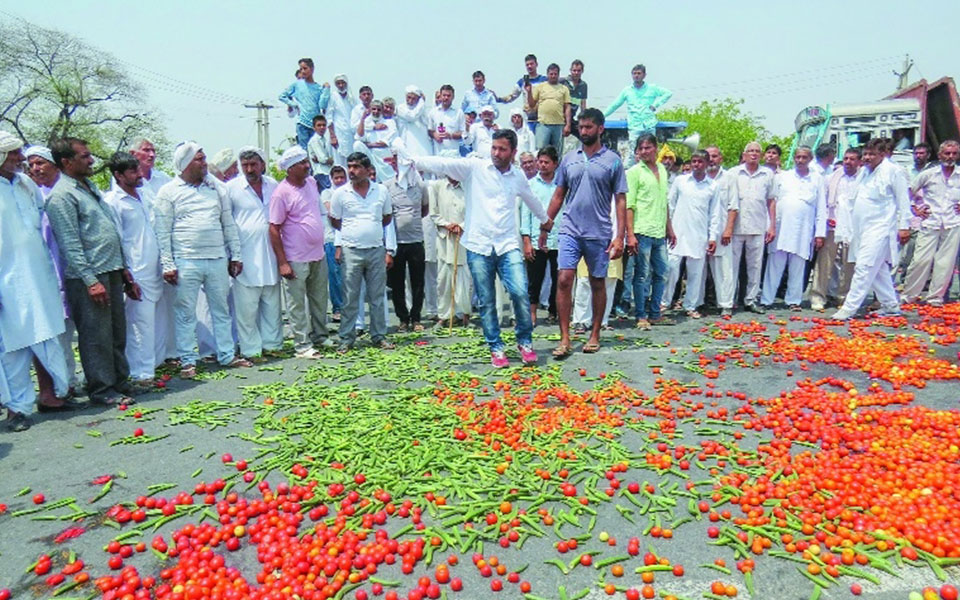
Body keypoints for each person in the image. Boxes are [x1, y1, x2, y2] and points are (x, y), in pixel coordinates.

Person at [413, 130, 551, 367]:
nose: (496, 153)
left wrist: (545, 220)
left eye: (502, 149)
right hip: (479, 245)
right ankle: (496, 347)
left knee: (519, 291)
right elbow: (444, 163)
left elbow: (531, 199)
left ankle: (524, 341)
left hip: (507, 244)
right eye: (494, 148)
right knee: (486, 300)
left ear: (513, 152)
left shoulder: (517, 176)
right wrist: (413, 160)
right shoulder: (475, 168)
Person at [46, 137, 142, 405]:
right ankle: (101, 389)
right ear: (66, 162)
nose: (91, 160)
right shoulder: (61, 196)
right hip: (89, 276)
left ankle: (120, 382)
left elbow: (109, 229)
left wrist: (123, 271)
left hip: (110, 270)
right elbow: (70, 244)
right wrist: (90, 281)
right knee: (96, 336)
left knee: (115, 332)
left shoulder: (87, 188)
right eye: (85, 156)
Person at [154, 142, 249, 378]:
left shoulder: (215, 189)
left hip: (216, 257)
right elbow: (162, 232)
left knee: (221, 310)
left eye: (204, 158)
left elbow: (228, 223)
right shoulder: (168, 191)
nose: (205, 163)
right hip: (186, 260)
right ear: (186, 163)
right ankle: (188, 360)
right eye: (199, 159)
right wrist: (168, 264)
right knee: (186, 313)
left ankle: (227, 355)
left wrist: (235, 255)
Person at [0, 133, 73, 431]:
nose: (20, 157)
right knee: (13, 345)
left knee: (44, 333)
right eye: (13, 152)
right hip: (8, 281)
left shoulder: (27, 185)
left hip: (38, 276)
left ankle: (52, 393)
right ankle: (17, 408)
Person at [540, 108, 626, 356]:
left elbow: (620, 199)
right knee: (565, 279)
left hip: (599, 231)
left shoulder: (613, 161)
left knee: (597, 281)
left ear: (600, 129)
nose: (583, 131)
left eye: (589, 127)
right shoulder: (568, 159)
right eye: (581, 126)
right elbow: (559, 195)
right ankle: (565, 338)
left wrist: (620, 236)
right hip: (569, 229)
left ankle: (595, 333)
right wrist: (547, 224)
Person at [103, 152, 165, 389]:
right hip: (136, 269)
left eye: (138, 169)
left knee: (155, 320)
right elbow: (117, 240)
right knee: (140, 323)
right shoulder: (113, 202)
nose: (140, 175)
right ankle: (141, 374)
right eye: (133, 171)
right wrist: (126, 274)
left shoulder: (144, 194)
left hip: (154, 267)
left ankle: (152, 366)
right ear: (118, 175)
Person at [832, 139, 912, 320]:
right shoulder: (864, 173)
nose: (867, 157)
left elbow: (903, 201)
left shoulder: (894, 171)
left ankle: (849, 308)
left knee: (864, 267)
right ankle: (891, 306)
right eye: (866, 154)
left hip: (881, 228)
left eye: (872, 154)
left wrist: (904, 226)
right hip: (862, 229)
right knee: (879, 270)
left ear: (882, 155)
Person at [25, 145, 82, 396]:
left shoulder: (67, 192)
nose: (36, 169)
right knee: (59, 334)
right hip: (48, 274)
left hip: (74, 269)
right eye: (32, 165)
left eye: (41, 163)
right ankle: (66, 382)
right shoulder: (32, 196)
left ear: (55, 164)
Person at [268, 146, 333, 358]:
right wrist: (283, 262)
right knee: (297, 304)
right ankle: (302, 344)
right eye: (302, 163)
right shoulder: (281, 193)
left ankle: (320, 335)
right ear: (290, 169)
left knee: (319, 298)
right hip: (295, 257)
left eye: (307, 161)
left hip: (317, 253)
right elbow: (274, 229)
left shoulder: (312, 183)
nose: (307, 166)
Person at [329, 152, 396, 352]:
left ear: (368, 170)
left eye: (357, 167)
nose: (351, 171)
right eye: (349, 166)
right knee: (350, 296)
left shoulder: (381, 191)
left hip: (376, 249)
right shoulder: (341, 193)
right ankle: (347, 338)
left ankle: (379, 336)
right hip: (351, 250)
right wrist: (352, 235)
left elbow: (386, 218)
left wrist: (370, 230)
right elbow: (335, 221)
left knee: (376, 296)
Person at [225, 147, 283, 362]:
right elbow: (227, 222)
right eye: (245, 165)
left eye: (253, 164)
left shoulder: (273, 185)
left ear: (262, 164)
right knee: (247, 308)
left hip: (271, 251)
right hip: (244, 254)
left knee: (272, 303)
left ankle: (273, 344)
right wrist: (232, 255)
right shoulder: (231, 188)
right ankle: (251, 349)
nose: (249, 169)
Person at [760, 146, 827, 310]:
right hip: (781, 228)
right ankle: (766, 299)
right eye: (798, 157)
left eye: (804, 157)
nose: (800, 160)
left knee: (798, 265)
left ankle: (793, 301)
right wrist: (770, 226)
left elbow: (821, 207)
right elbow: (772, 201)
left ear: (810, 159)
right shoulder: (783, 177)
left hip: (803, 229)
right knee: (775, 264)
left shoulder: (817, 179)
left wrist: (820, 234)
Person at [663, 150, 723, 318]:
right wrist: (668, 229)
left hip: (699, 236)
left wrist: (712, 237)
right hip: (677, 233)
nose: (696, 164)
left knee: (696, 274)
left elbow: (715, 213)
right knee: (672, 269)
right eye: (694, 161)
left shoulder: (713, 186)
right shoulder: (680, 181)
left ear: (706, 163)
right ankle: (664, 302)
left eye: (700, 161)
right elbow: (670, 205)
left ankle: (690, 305)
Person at [624, 134, 675, 328]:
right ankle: (641, 315)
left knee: (662, 273)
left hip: (659, 232)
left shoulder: (662, 169)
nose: (644, 151)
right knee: (641, 275)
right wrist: (630, 234)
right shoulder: (634, 172)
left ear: (655, 148)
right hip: (642, 230)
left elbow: (664, 202)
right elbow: (630, 205)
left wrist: (670, 229)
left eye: (648, 148)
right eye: (641, 148)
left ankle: (655, 312)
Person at [902, 140, 960, 306]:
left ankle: (935, 297)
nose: (950, 157)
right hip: (930, 222)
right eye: (947, 153)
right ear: (940, 155)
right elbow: (908, 193)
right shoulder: (929, 174)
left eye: (954, 153)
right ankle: (909, 295)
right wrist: (915, 210)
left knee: (945, 263)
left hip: (953, 223)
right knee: (920, 260)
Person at [727, 141, 777, 313]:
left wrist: (771, 226)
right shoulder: (733, 173)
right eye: (750, 151)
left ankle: (751, 300)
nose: (754, 154)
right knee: (731, 266)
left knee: (755, 267)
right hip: (736, 228)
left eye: (757, 151)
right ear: (744, 154)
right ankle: (729, 301)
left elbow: (771, 201)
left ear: (761, 155)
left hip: (758, 226)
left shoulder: (767, 174)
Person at [809, 147, 861, 311]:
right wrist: (823, 227)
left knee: (849, 264)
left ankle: (843, 296)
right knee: (824, 263)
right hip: (832, 226)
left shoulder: (863, 180)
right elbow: (823, 205)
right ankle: (818, 296)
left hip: (853, 228)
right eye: (845, 158)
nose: (848, 162)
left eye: (852, 159)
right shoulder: (832, 178)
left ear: (859, 162)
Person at [383, 152, 430, 332]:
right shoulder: (387, 186)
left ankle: (416, 317)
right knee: (397, 283)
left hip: (416, 240)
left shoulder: (420, 185)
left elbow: (424, 209)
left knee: (418, 282)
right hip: (396, 242)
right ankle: (403, 319)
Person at [520, 146, 561, 326]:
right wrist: (527, 241)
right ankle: (532, 313)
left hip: (559, 239)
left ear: (555, 164)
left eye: (546, 162)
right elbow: (525, 215)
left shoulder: (562, 185)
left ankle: (554, 311)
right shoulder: (531, 185)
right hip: (537, 238)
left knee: (559, 279)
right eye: (540, 162)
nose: (542, 165)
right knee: (534, 280)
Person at [603, 65, 672, 167]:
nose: (636, 76)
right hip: (635, 126)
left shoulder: (652, 88)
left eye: (639, 73)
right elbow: (615, 104)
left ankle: (652, 172)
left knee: (651, 151)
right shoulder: (627, 90)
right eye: (634, 73)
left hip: (649, 124)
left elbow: (668, 93)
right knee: (633, 152)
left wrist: (655, 104)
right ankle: (631, 175)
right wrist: (601, 116)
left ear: (644, 75)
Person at [429, 176, 471, 327]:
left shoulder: (468, 185)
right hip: (445, 239)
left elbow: (474, 210)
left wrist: (462, 225)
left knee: (464, 276)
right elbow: (433, 213)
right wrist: (447, 225)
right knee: (444, 277)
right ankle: (444, 316)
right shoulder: (436, 186)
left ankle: (465, 314)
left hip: (464, 238)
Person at [278, 58, 331, 149]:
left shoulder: (318, 88)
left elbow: (322, 105)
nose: (303, 71)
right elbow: (282, 96)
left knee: (316, 150)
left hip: (315, 124)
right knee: (304, 150)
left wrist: (326, 90)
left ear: (312, 69)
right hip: (302, 123)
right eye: (301, 69)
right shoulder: (297, 85)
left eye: (305, 68)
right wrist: (293, 104)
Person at [320, 166, 348, 322]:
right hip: (331, 239)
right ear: (331, 179)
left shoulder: (350, 192)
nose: (339, 181)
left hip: (349, 238)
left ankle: (349, 307)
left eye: (342, 177)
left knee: (348, 276)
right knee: (335, 275)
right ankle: (337, 308)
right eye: (336, 178)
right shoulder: (327, 193)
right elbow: (334, 214)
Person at [526, 63, 571, 151]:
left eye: (555, 74)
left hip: (558, 125)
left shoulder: (564, 89)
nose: (553, 76)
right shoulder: (540, 87)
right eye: (551, 74)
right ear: (547, 74)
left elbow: (567, 107)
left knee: (557, 153)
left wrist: (568, 125)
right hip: (543, 124)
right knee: (541, 151)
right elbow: (531, 105)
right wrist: (529, 92)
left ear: (558, 75)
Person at [501, 54, 548, 131]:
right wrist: (498, 99)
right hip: (528, 118)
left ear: (536, 64)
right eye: (527, 65)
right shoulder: (522, 82)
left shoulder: (544, 80)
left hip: (542, 118)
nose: (529, 66)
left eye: (531, 64)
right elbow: (512, 96)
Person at [355, 100, 398, 183]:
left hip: (382, 154)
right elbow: (359, 138)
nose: (376, 112)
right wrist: (363, 119)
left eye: (378, 109)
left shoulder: (389, 123)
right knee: (357, 145)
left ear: (382, 111)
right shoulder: (367, 122)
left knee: (388, 180)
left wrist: (369, 145)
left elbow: (385, 143)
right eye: (374, 109)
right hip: (369, 155)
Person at [327, 74, 357, 166]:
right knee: (338, 161)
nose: (341, 85)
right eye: (338, 83)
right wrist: (332, 136)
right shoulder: (333, 97)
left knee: (351, 160)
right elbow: (329, 117)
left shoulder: (351, 98)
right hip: (338, 132)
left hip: (351, 134)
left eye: (342, 83)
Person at [428, 85, 465, 158]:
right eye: (444, 95)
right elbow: (430, 130)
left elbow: (463, 133)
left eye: (448, 95)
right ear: (440, 96)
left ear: (453, 97)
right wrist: (435, 134)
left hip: (453, 155)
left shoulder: (459, 112)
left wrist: (451, 136)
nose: (446, 98)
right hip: (437, 154)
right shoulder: (433, 112)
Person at [396, 86, 433, 158]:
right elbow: (412, 116)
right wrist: (422, 102)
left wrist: (421, 104)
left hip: (422, 145)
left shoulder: (421, 109)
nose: (410, 100)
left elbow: (426, 122)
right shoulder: (400, 108)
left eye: (414, 98)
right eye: (408, 97)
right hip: (407, 143)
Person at [307, 115, 336, 191]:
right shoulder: (314, 140)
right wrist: (329, 160)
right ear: (314, 127)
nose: (322, 127)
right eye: (319, 125)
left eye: (323, 125)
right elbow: (322, 159)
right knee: (328, 193)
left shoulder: (325, 140)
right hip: (321, 172)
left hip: (328, 172)